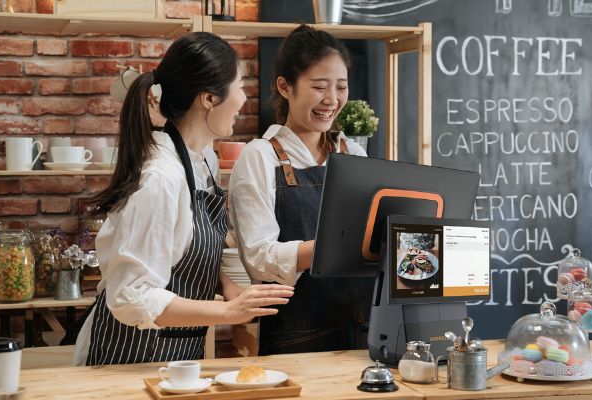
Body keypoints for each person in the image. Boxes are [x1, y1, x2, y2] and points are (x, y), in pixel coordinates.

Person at [74, 32, 294, 366]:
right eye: (239, 86)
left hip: (175, 358)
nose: (244, 99)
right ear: (208, 98)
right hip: (128, 358)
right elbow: (131, 296)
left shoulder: (203, 158)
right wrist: (228, 311)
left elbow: (181, 249)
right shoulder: (159, 180)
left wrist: (226, 285)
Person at [229, 25, 372, 355]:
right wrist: (327, 248)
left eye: (341, 87)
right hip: (296, 337)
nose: (332, 100)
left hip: (363, 333)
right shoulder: (260, 157)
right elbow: (259, 259)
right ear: (285, 86)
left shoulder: (353, 152)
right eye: (319, 87)